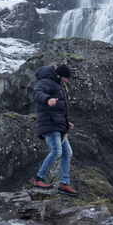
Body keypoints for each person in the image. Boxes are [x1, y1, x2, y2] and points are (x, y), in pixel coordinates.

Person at [30, 64, 77, 196]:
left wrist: (67, 123)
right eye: (66, 78)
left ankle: (64, 183)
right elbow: (37, 93)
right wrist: (47, 99)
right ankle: (39, 178)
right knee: (57, 151)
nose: (67, 81)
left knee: (67, 153)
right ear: (60, 75)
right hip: (49, 124)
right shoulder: (45, 82)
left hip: (58, 125)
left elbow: (59, 108)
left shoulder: (57, 84)